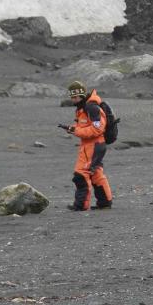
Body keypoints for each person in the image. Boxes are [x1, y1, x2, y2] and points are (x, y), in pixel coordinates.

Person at [64, 79, 113, 211]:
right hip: (90, 145)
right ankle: (104, 202)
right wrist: (73, 128)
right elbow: (86, 125)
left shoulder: (92, 107)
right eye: (72, 97)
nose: (73, 100)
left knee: (80, 175)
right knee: (95, 173)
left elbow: (98, 129)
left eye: (75, 97)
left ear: (82, 95)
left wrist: (76, 130)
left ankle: (81, 205)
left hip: (94, 145)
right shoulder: (83, 107)